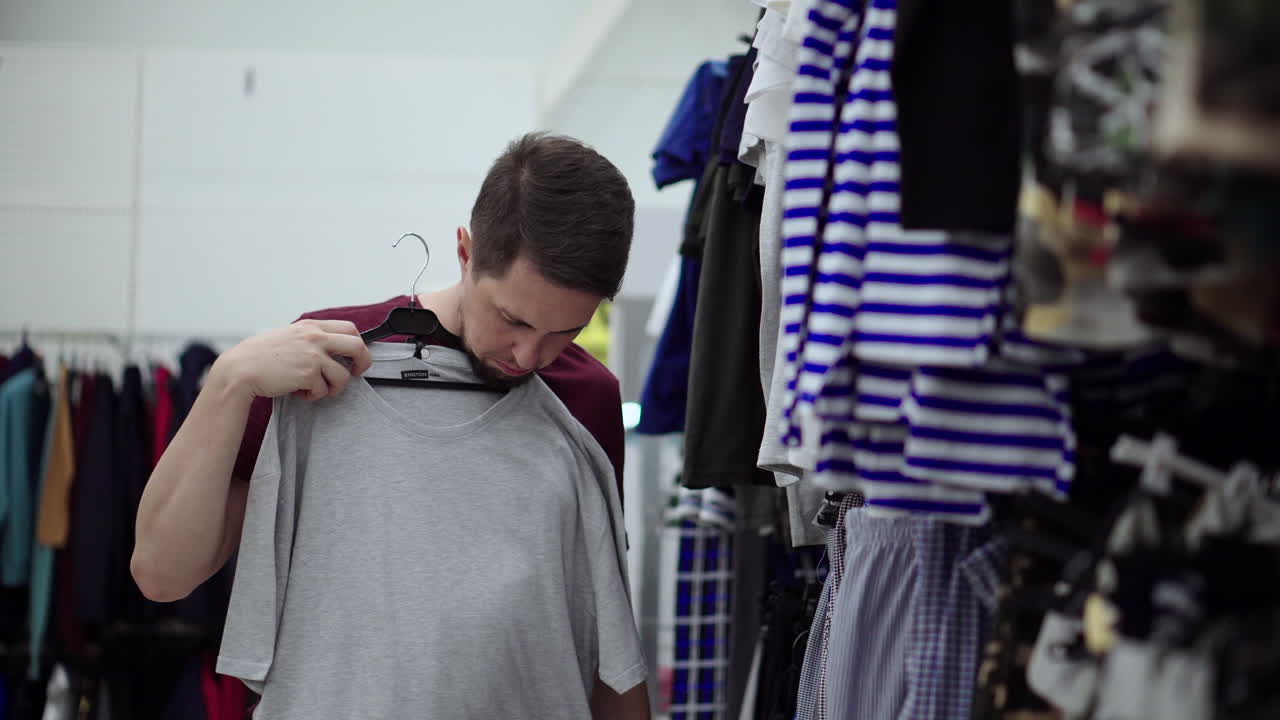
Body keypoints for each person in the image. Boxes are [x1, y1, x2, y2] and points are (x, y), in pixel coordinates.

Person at [131, 133, 650, 718]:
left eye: (566, 332)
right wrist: (228, 382)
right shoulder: (322, 362)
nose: (530, 356)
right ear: (466, 251)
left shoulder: (587, 400)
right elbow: (160, 573)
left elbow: (604, 631)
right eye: (512, 318)